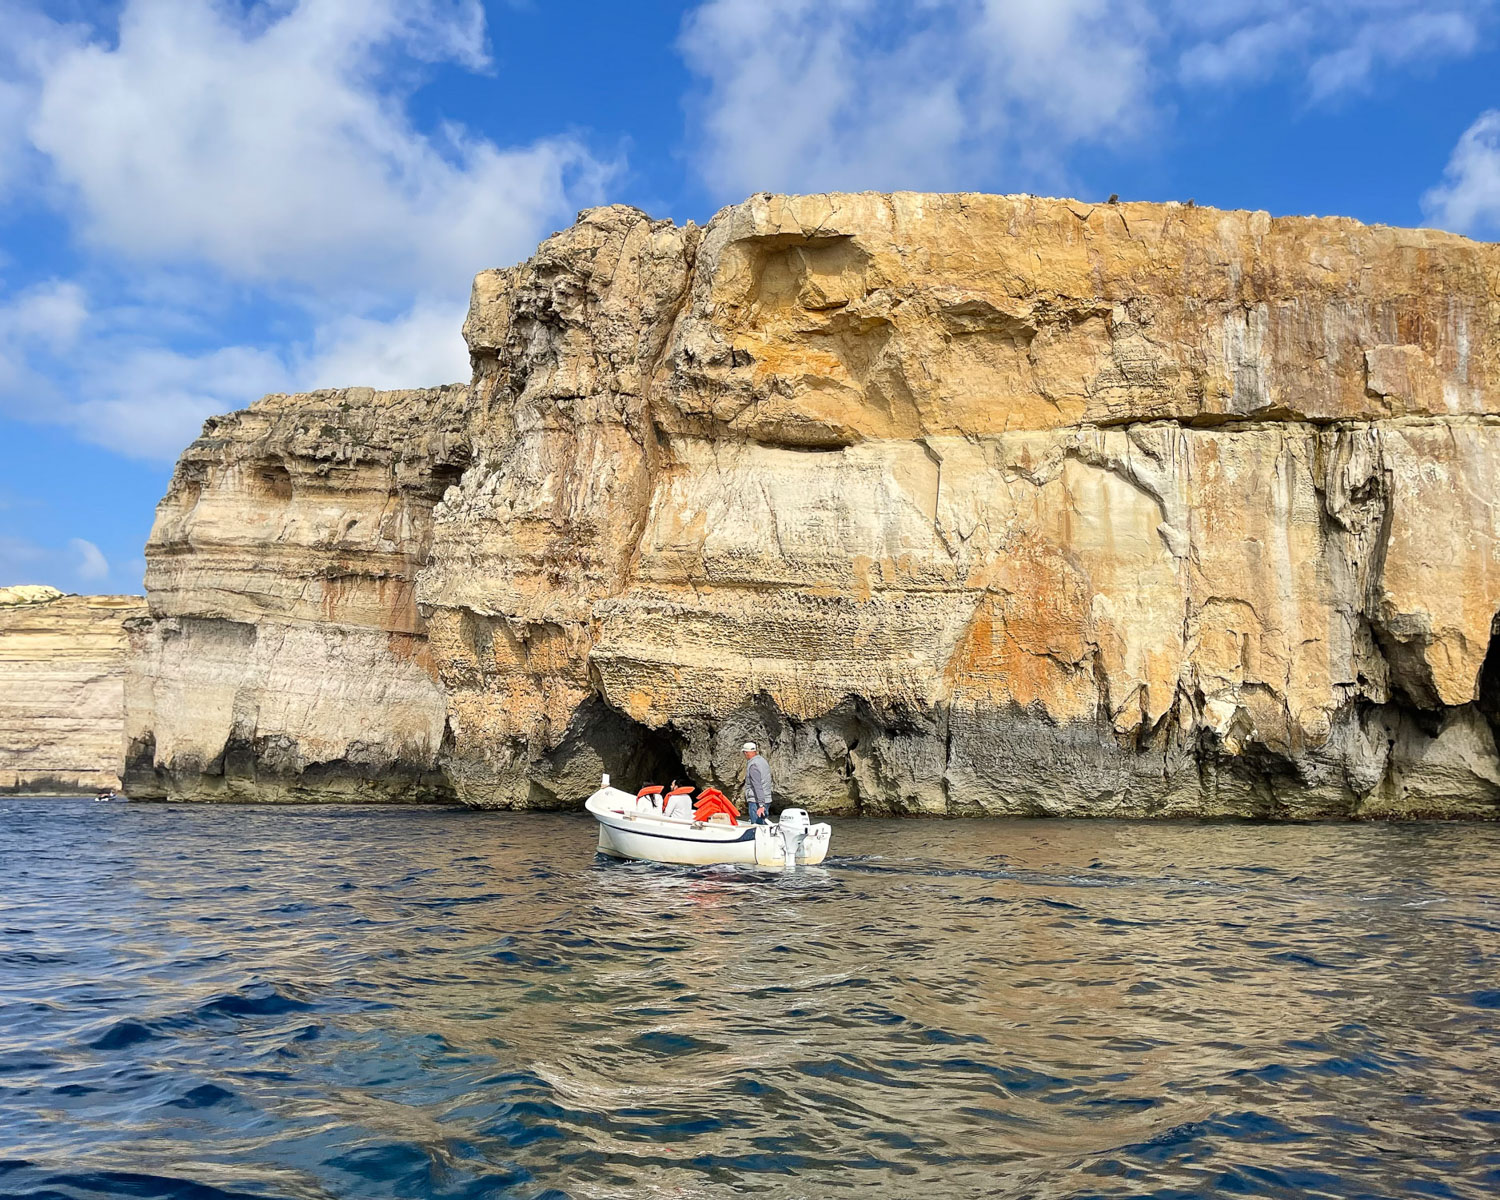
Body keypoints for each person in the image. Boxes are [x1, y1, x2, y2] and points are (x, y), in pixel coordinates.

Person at [742, 741, 772, 824]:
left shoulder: (753, 765)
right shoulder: (763, 761)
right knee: (764, 826)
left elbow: (757, 786)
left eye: (745, 752)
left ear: (747, 752)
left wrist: (761, 805)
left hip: (756, 802)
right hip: (766, 799)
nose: (745, 754)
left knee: (757, 827)